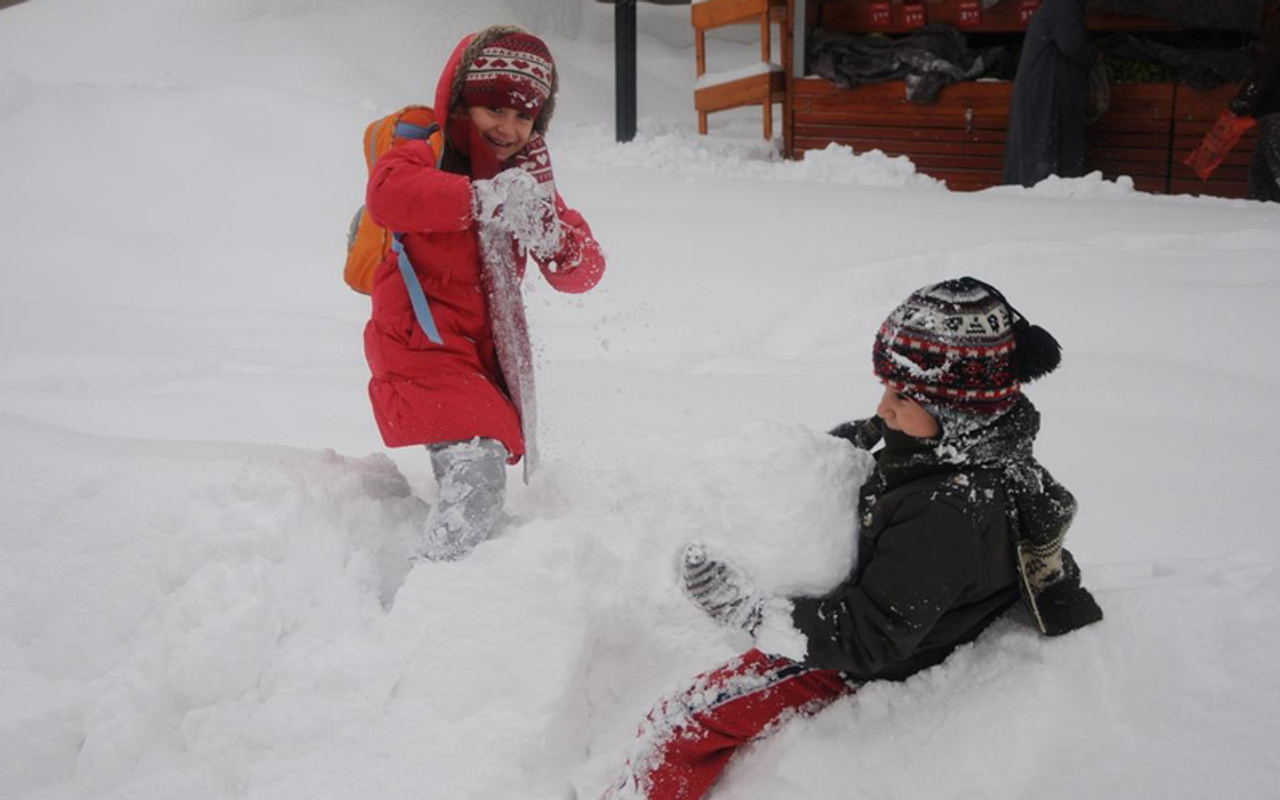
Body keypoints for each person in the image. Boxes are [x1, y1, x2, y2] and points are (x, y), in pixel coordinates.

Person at [598, 278, 1102, 800]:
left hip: (852, 660)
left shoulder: (948, 512)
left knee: (682, 725)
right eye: (885, 387)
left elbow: (870, 639)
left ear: (959, 410)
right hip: (882, 620)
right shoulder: (974, 450)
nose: (884, 408)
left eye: (903, 395)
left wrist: (747, 610)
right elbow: (906, 467)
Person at [363, 26, 606, 561]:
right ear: (462, 101)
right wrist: (481, 200)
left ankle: (449, 569)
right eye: (493, 109)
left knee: (473, 464)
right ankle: (438, 582)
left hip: (473, 357)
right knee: (479, 469)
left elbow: (584, 270)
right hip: (418, 345)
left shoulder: (526, 179)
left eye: (524, 116)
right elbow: (387, 194)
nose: (508, 126)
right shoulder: (426, 148)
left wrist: (548, 230)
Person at [1002, 0, 1099, 187]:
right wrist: (1094, 55)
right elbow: (1072, 45)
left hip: (1041, 90)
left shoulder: (1056, 6)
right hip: (1048, 92)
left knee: (1036, 152)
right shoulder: (1064, 5)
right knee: (1047, 152)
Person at [1229, 7, 1280, 202]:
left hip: (1275, 112)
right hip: (1271, 112)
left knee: (1264, 184)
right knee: (1262, 182)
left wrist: (1243, 101)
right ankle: (1257, 221)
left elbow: (1266, 64)